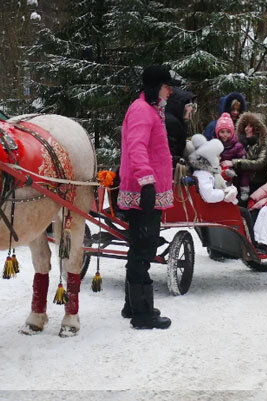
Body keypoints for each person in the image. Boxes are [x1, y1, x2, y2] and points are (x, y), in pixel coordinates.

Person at [117, 65, 175, 330]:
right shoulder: (142, 110)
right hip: (143, 193)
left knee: (139, 245)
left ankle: (132, 305)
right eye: (166, 86)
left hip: (146, 191)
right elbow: (136, 147)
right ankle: (143, 314)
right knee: (144, 247)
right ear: (155, 86)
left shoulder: (151, 110)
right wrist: (147, 182)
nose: (170, 91)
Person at [221, 112, 267, 205]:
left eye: (250, 126)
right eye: (245, 126)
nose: (246, 129)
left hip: (255, 185)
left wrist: (234, 162)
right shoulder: (243, 144)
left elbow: (259, 163)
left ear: (257, 129)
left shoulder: (265, 146)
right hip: (239, 183)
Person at [187, 134, 238, 204]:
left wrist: (231, 188)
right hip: (211, 208)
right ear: (210, 157)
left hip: (218, 205)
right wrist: (224, 193)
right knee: (244, 213)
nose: (220, 158)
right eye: (218, 156)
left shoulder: (211, 171)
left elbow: (220, 182)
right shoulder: (202, 174)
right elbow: (209, 196)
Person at [214, 112, 249, 190]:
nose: (225, 134)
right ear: (217, 132)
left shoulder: (237, 146)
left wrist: (232, 163)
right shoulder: (214, 144)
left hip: (234, 178)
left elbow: (244, 162)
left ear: (232, 133)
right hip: (218, 176)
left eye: (228, 132)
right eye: (222, 132)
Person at [165, 87, 196, 166]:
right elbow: (172, 151)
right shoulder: (172, 123)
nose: (191, 110)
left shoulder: (179, 121)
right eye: (189, 106)